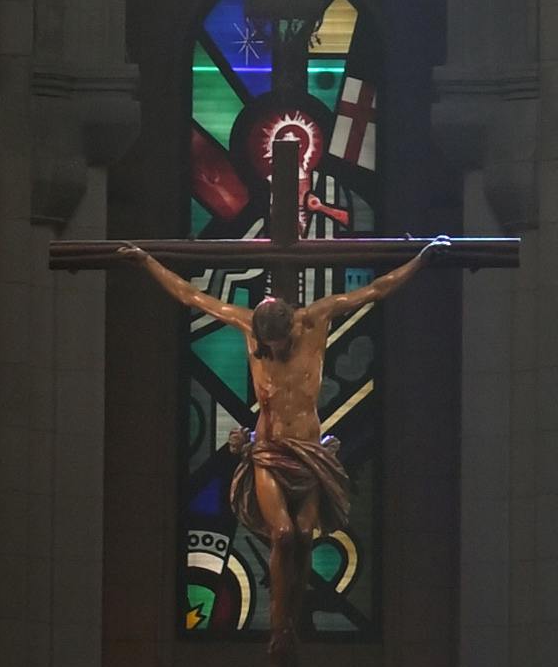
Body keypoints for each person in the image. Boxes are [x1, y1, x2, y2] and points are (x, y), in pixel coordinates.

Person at [132, 239, 427, 639]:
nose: (273, 352)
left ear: (293, 327)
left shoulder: (316, 320)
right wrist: (145, 260)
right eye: (266, 348)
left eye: (280, 345)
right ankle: (278, 622)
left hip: (308, 452)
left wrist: (421, 258)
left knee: (304, 536)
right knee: (284, 534)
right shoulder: (247, 326)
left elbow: (375, 290)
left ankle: (295, 609)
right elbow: (191, 296)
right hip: (268, 450)